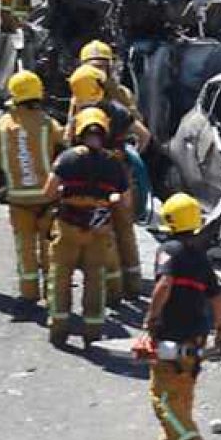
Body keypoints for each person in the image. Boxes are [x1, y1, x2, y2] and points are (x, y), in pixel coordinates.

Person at [135, 193, 221, 440]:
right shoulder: (201, 260)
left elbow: (164, 285)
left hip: (171, 338)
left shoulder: (169, 250)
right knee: (182, 395)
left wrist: (151, 317)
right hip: (195, 342)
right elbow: (217, 298)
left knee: (162, 398)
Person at [42, 107, 129, 348]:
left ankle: (59, 329)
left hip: (68, 226)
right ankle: (92, 331)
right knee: (95, 280)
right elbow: (125, 201)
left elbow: (48, 191)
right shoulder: (114, 163)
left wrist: (63, 193)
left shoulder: (68, 158)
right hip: (98, 231)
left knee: (60, 277)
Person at [66, 62, 150, 299]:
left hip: (90, 183)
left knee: (101, 232)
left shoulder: (79, 116)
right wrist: (131, 160)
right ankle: (132, 284)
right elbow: (144, 135)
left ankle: (110, 288)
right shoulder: (117, 110)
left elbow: (66, 145)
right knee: (125, 229)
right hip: (119, 178)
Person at [0, 71, 63, 316]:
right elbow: (62, 158)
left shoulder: (1, 125)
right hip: (47, 199)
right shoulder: (47, 124)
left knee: (25, 250)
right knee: (49, 249)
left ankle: (28, 295)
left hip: (18, 200)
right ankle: (54, 295)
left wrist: (1, 191)